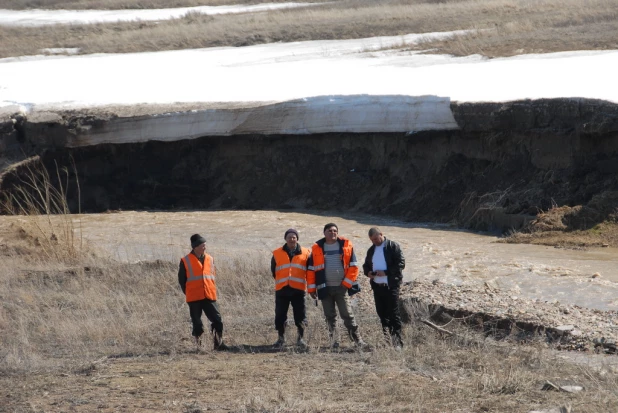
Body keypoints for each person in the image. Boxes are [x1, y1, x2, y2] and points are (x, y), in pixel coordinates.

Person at [307, 223, 366, 348]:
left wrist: (346, 284)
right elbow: (311, 270)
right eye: (329, 231)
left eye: (335, 231)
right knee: (330, 316)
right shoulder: (317, 248)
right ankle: (334, 341)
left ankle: (357, 340)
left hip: (341, 288)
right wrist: (312, 289)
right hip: (324, 288)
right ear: (324, 233)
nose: (332, 233)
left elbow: (354, 267)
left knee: (347, 315)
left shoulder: (346, 245)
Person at [178, 233, 227, 351]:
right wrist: (189, 292)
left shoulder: (210, 259)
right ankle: (198, 346)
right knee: (197, 323)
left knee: (217, 320)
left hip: (209, 295)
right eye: (202, 245)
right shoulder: (185, 261)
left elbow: (212, 275)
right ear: (195, 247)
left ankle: (218, 344)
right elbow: (182, 281)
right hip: (194, 297)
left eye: (205, 245)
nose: (204, 247)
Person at [362, 227, 406, 348]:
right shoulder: (371, 250)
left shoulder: (393, 246)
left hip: (391, 286)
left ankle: (397, 343)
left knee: (393, 314)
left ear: (381, 234)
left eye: (376, 239)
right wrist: (368, 273)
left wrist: (386, 272)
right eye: (372, 240)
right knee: (382, 314)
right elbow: (366, 266)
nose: (374, 241)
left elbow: (401, 264)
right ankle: (388, 340)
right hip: (377, 287)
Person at [271, 228, 311, 348]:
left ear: (297, 239)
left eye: (294, 237)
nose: (292, 239)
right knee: (280, 315)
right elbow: (274, 270)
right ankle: (281, 339)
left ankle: (301, 339)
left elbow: (310, 271)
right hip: (282, 289)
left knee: (300, 315)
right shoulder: (277, 253)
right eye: (289, 237)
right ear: (285, 239)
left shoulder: (306, 252)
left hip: (298, 289)